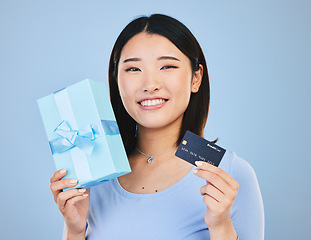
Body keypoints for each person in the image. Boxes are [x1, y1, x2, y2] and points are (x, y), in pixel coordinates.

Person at [50, 14, 264, 240]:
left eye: (167, 66)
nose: (150, 85)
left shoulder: (229, 173)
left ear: (196, 78)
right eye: (133, 69)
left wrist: (221, 227)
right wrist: (74, 230)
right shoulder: (96, 177)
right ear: (116, 81)